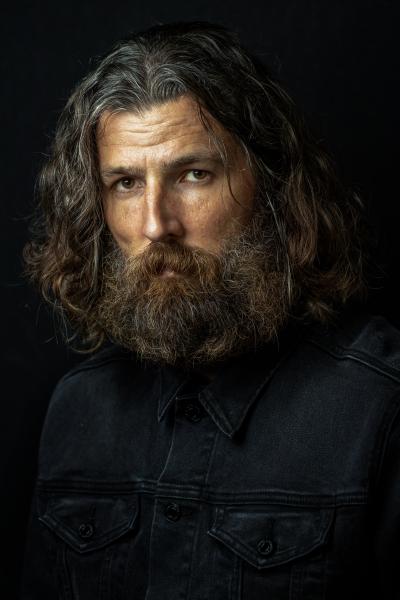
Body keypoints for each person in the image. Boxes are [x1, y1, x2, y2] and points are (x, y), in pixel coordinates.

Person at [20, 21, 400, 599]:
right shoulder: (78, 409)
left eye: (194, 175)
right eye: (125, 183)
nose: (156, 224)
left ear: (272, 183)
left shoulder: (382, 405)